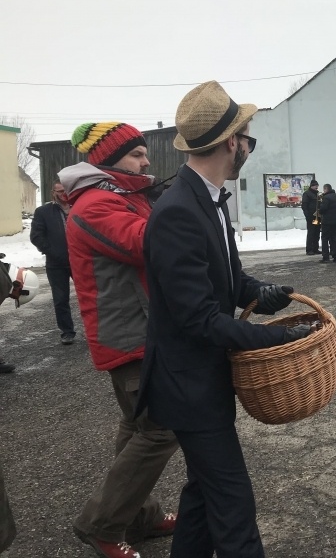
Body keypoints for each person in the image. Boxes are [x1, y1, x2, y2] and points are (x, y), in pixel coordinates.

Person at [137, 81, 311, 558]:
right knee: (234, 509)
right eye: (248, 137)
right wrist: (272, 339)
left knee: (201, 498)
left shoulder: (208, 198)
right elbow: (199, 319)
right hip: (188, 387)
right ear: (232, 142)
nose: (249, 147)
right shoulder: (177, 212)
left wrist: (263, 295)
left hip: (204, 381)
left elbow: (229, 282)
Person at [59, 122, 179, 558]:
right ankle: (101, 525)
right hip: (130, 336)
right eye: (137, 154)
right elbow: (148, 244)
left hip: (140, 330)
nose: (147, 162)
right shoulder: (96, 204)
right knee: (161, 430)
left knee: (137, 427)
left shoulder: (121, 196)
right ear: (109, 160)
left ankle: (139, 517)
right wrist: (187, 204)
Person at [30, 179, 77, 345]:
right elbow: (36, 236)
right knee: (61, 299)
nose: (64, 194)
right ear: (53, 193)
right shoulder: (43, 212)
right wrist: (53, 252)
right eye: (60, 191)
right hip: (56, 264)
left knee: (90, 296)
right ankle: (67, 332)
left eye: (66, 190)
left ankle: (95, 331)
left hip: (80, 261)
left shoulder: (79, 207)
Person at [319, 183, 336, 263]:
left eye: (324, 189)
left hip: (327, 221)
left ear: (326, 189)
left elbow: (323, 209)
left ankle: (326, 257)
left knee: (325, 238)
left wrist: (320, 207)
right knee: (335, 238)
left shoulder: (326, 198)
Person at [301, 179, 321, 256]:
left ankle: (315, 248)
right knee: (311, 232)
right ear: (311, 186)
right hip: (311, 217)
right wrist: (307, 215)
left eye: (317, 185)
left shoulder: (317, 194)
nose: (317, 187)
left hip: (317, 217)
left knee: (317, 232)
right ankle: (309, 249)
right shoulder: (307, 194)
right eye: (315, 185)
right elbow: (304, 205)